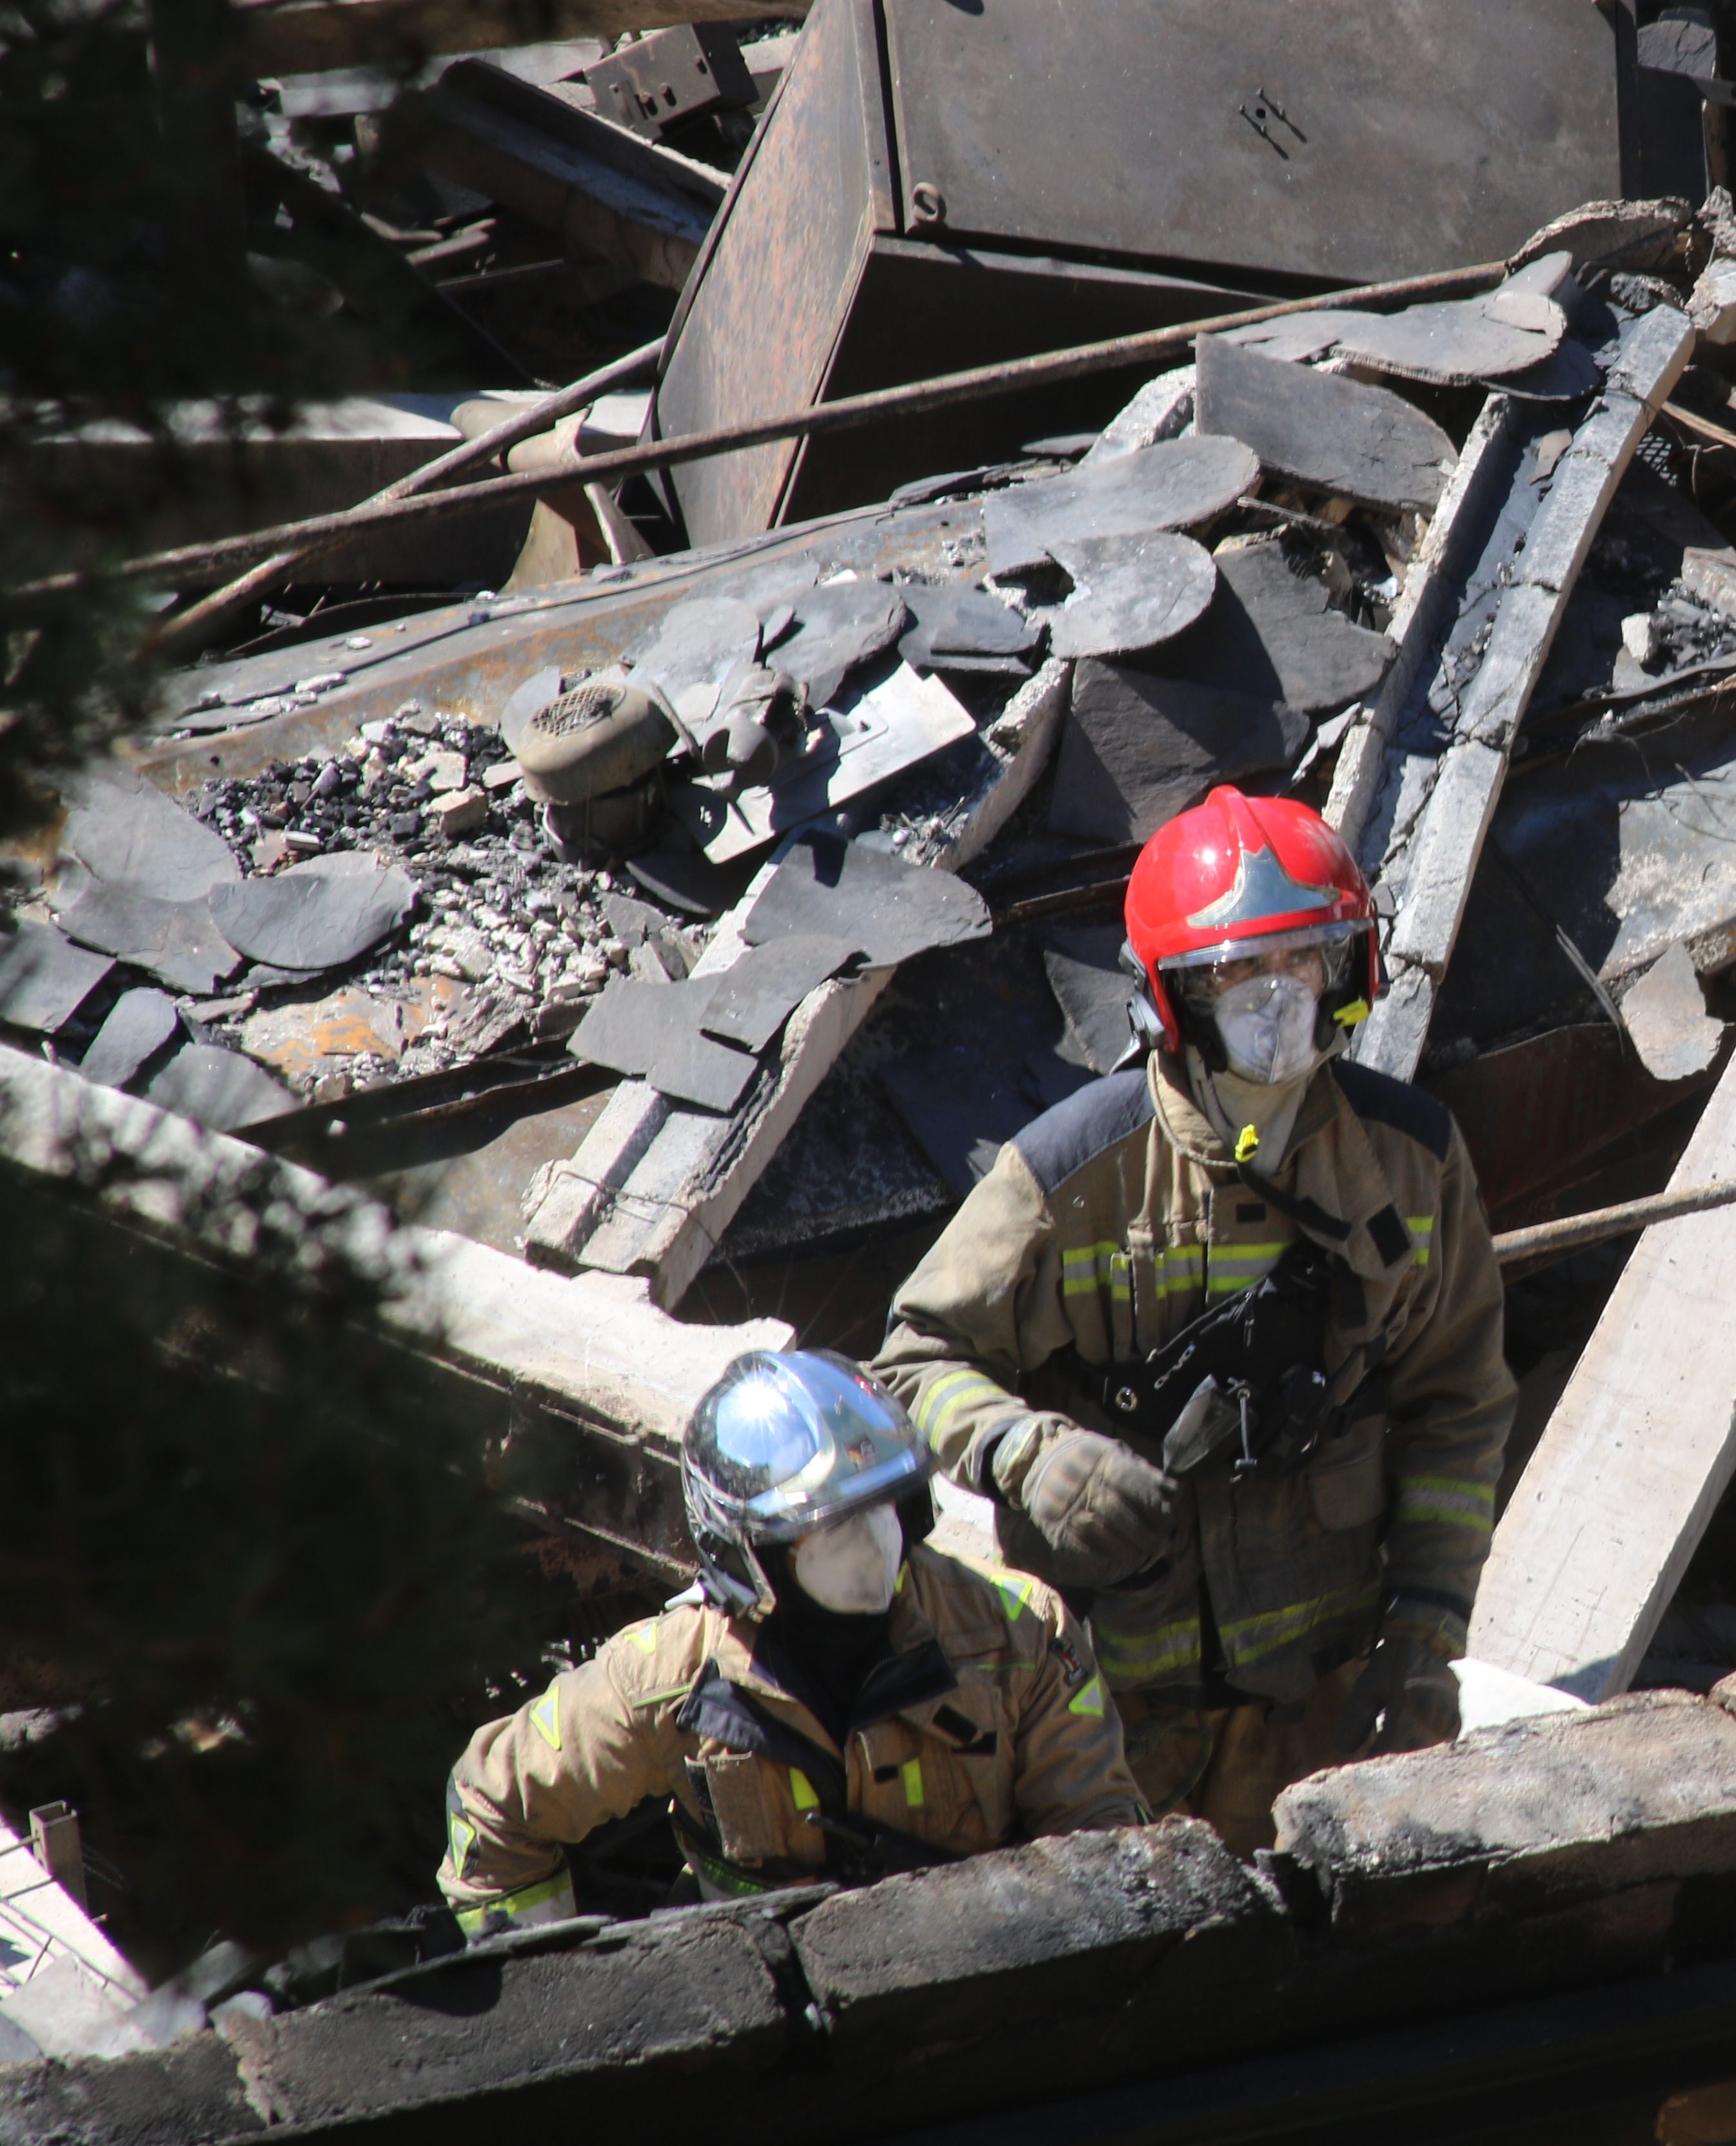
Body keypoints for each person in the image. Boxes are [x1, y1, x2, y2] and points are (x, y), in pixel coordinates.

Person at [874, 785, 1512, 1851]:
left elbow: (1460, 1407)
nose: (1274, 998)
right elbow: (910, 1359)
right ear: (1170, 997)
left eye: (1302, 959)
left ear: (1346, 968)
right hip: (1107, 1716)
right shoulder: (1072, 1174)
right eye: (1233, 972)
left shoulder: (1411, 1159)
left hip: (1326, 1702)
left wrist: (1424, 1635)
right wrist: (1026, 1451)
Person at [438, 1349, 1145, 1934]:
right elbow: (495, 1805)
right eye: (831, 1528)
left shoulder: (1021, 1634)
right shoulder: (670, 1675)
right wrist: (564, 2008)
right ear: (746, 1555)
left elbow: (1105, 1857)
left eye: (883, 1509)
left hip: (972, 1982)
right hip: (755, 2009)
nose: (872, 1547)